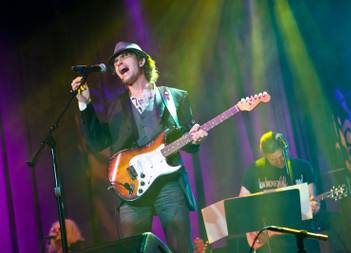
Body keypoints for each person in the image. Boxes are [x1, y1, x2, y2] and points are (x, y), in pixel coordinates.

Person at [71, 41, 208, 253]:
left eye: (124, 57)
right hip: (131, 188)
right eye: (115, 61)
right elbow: (97, 141)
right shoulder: (116, 107)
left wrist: (196, 139)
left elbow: (189, 140)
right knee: (132, 250)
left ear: (141, 60)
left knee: (182, 248)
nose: (118, 63)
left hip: (169, 184)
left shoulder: (175, 97)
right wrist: (84, 104)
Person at [239, 131, 320, 253]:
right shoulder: (254, 171)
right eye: (273, 159)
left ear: (286, 149)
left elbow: (311, 200)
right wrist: (253, 230)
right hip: (271, 243)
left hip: (301, 237)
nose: (280, 161)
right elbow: (242, 204)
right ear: (265, 156)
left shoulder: (302, 167)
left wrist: (314, 207)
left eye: (282, 156)